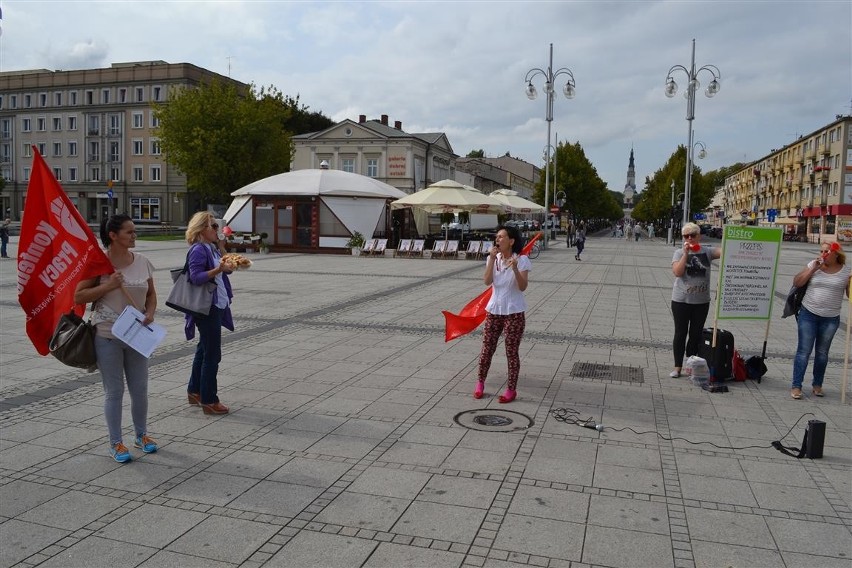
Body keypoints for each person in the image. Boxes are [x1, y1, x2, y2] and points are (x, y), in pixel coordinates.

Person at [74, 214, 158, 463]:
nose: (134, 235)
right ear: (113, 235)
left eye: (134, 231)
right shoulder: (98, 262)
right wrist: (108, 285)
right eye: (129, 232)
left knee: (140, 390)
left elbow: (151, 295)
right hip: (107, 335)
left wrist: (150, 313)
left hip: (137, 336)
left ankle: (141, 435)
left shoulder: (142, 261)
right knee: (114, 392)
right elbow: (79, 297)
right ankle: (116, 443)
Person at [184, 212, 235, 414]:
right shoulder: (198, 250)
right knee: (212, 354)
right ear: (201, 230)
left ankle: (194, 390)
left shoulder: (212, 248)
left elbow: (228, 270)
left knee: (204, 349)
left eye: (216, 226)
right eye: (213, 226)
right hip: (206, 308)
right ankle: (209, 400)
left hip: (216, 305)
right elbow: (195, 277)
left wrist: (222, 249)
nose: (217, 229)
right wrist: (217, 270)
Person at [475, 225, 531, 404]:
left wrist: (514, 268)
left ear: (511, 241)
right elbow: (486, 281)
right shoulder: (494, 258)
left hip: (514, 312)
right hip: (494, 310)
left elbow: (522, 287)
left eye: (501, 237)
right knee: (487, 349)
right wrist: (491, 259)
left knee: (511, 352)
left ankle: (511, 390)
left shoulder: (522, 260)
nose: (497, 240)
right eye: (497, 237)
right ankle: (480, 383)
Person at [789, 242, 851, 399]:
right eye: (821, 250)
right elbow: (797, 282)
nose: (823, 254)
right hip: (809, 313)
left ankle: (817, 385)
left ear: (836, 254)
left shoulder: (846, 272)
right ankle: (796, 386)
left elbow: (850, 295)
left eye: (827, 251)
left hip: (830, 318)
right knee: (803, 351)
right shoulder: (814, 265)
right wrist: (813, 269)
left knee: (822, 353)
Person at [669, 222, 721, 378]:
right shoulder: (678, 253)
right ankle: (677, 366)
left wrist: (737, 232)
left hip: (701, 301)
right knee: (680, 333)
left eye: (693, 235)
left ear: (699, 236)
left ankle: (690, 363)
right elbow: (678, 272)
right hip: (681, 301)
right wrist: (686, 253)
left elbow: (726, 251)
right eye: (686, 236)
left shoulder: (708, 251)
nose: (690, 238)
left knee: (696, 334)